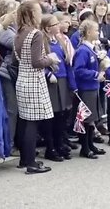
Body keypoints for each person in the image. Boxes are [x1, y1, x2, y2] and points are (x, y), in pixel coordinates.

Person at [14, 0, 59, 174]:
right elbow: (36, 62)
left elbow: (15, 60)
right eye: (38, 11)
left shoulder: (19, 33)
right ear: (32, 14)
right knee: (33, 123)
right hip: (34, 80)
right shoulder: (36, 34)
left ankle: (24, 159)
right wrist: (51, 59)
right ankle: (31, 162)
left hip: (22, 79)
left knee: (25, 121)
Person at [41, 14, 77, 161]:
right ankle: (51, 147)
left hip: (62, 80)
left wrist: (72, 85)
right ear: (47, 28)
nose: (58, 26)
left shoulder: (60, 41)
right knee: (52, 116)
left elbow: (67, 63)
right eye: (55, 24)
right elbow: (39, 61)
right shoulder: (44, 43)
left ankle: (60, 143)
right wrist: (48, 74)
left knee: (62, 115)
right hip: (52, 82)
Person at [73, 20, 107, 159]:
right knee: (86, 118)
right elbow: (78, 70)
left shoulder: (91, 48)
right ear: (88, 32)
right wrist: (95, 75)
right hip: (86, 88)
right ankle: (85, 148)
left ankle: (90, 144)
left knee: (92, 117)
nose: (98, 32)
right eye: (96, 30)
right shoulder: (82, 50)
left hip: (93, 87)